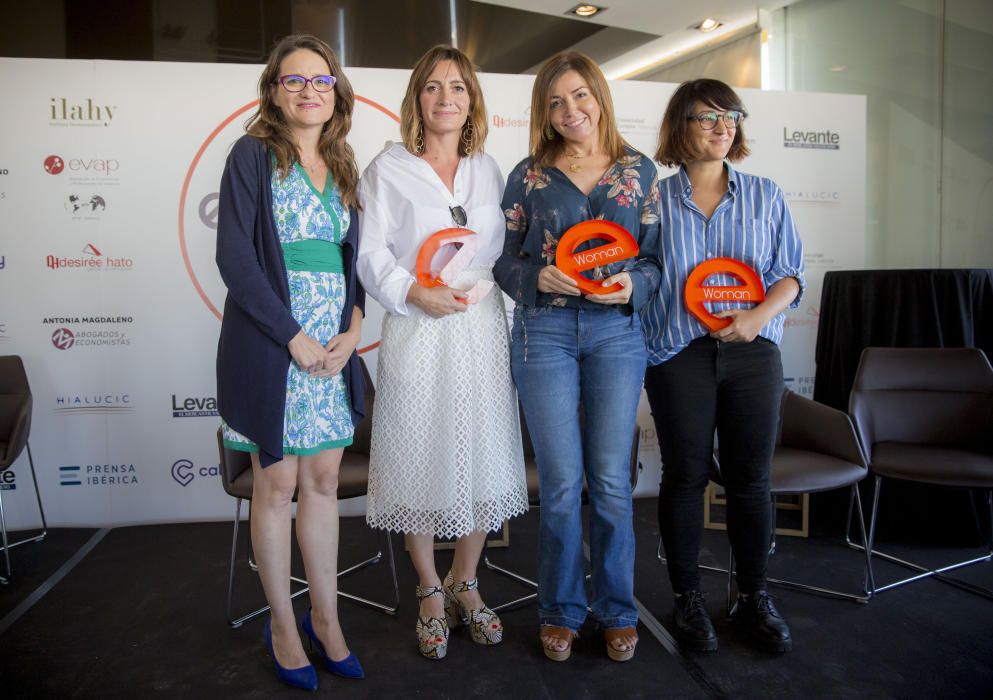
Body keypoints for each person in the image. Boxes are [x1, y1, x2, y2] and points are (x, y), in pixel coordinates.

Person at [357, 45, 529, 661]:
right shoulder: (388, 168)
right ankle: (430, 589)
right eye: (433, 87)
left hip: (479, 325)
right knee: (419, 451)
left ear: (472, 99)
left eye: (457, 86)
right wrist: (413, 293)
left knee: (482, 451)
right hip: (418, 325)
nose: (446, 97)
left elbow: (500, 253)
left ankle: (468, 580)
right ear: (416, 99)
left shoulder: (489, 168)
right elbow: (371, 254)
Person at [493, 51, 661, 663]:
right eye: (557, 101)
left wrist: (630, 287)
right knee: (562, 485)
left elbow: (655, 262)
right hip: (547, 335)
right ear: (544, 110)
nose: (571, 111)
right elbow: (503, 260)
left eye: (580, 95)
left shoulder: (640, 172)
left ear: (600, 96)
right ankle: (560, 610)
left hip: (616, 334)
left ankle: (617, 610)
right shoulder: (529, 175)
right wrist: (538, 279)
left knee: (612, 483)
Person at [215, 34, 367, 690]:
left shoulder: (344, 161)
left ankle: (326, 620)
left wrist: (353, 329)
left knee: (325, 485)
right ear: (273, 92)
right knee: (275, 487)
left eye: (321, 79)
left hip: (331, 351)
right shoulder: (251, 156)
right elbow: (235, 260)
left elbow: (351, 263)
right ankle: (283, 623)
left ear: (336, 92)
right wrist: (291, 337)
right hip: (270, 348)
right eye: (294, 80)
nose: (309, 90)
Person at [642, 78, 805, 654]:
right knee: (685, 476)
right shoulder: (653, 201)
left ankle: (753, 597)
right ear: (679, 128)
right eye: (706, 117)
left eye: (729, 116)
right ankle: (687, 598)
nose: (721, 127)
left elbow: (791, 274)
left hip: (752, 354)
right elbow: (638, 277)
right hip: (678, 352)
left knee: (750, 481)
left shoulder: (765, 194)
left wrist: (757, 316)